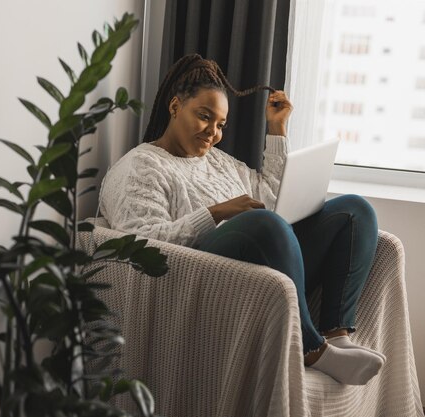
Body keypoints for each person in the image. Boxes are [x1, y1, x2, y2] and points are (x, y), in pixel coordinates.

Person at [99, 53, 385, 385]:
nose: (212, 132)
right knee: (264, 224)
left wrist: (276, 129)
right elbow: (141, 245)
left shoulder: (218, 161)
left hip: (263, 265)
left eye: (220, 124)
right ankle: (311, 349)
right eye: (204, 117)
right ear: (175, 107)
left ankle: (336, 334)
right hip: (202, 276)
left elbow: (272, 200)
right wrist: (214, 213)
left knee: (354, 211)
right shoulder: (140, 166)